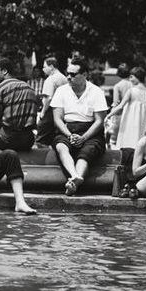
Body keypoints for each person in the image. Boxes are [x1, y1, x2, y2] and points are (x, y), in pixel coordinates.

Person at [47, 57, 108, 196]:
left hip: (90, 131)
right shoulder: (61, 91)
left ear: (85, 75)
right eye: (67, 73)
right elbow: (57, 118)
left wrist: (84, 137)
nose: (68, 77)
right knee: (61, 147)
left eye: (73, 74)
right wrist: (69, 135)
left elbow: (99, 121)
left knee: (85, 154)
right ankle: (75, 175)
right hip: (67, 130)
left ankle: (75, 181)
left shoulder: (96, 92)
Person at [105, 67, 146, 149]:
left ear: (138, 77)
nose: (130, 79)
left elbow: (120, 106)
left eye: (131, 77)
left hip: (129, 122)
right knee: (140, 144)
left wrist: (108, 115)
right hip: (143, 124)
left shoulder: (131, 91)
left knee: (128, 144)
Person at [35, 56, 67, 145]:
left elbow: (48, 98)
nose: (43, 69)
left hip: (49, 112)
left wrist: (43, 112)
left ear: (51, 67)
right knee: (55, 139)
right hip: (62, 112)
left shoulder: (50, 79)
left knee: (41, 140)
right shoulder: (64, 78)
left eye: (44, 67)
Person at [106, 63, 132, 147]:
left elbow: (116, 103)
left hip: (119, 114)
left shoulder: (118, 86)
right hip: (131, 114)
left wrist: (110, 115)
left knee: (114, 140)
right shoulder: (134, 85)